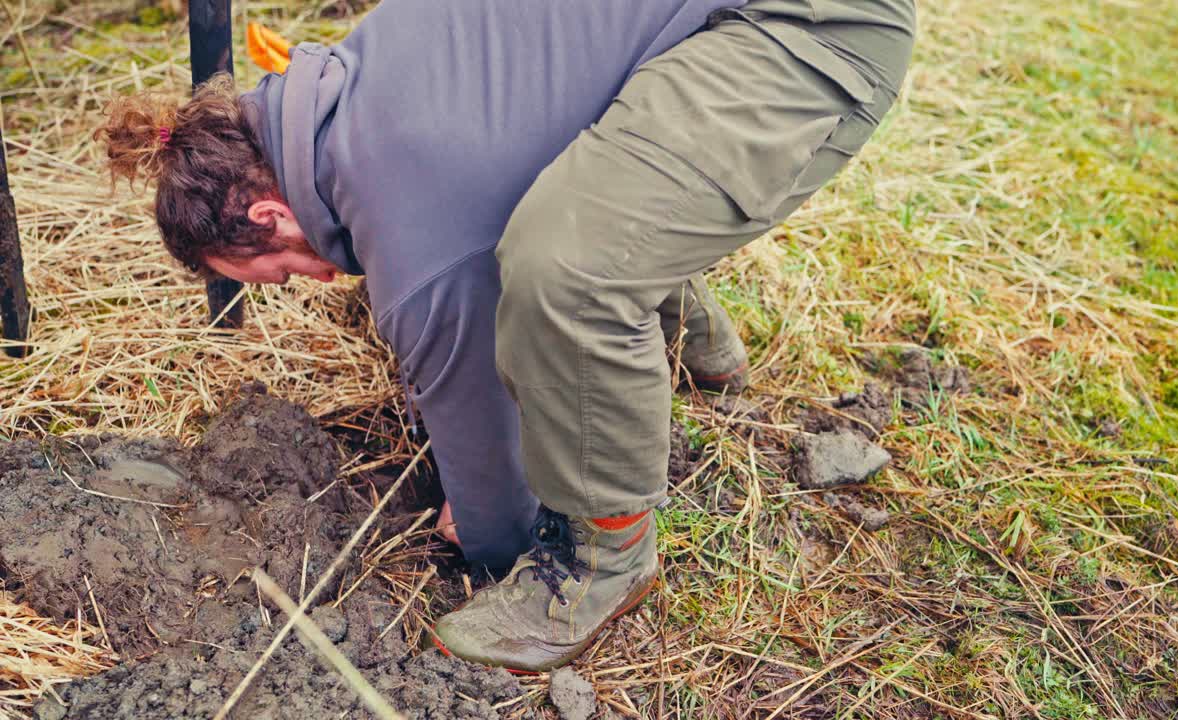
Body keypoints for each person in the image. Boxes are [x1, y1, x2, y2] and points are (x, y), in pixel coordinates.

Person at [97, 0, 914, 673]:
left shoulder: (407, 229)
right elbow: (510, 152)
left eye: (277, 273)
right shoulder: (347, 82)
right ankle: (689, 332)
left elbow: (484, 446)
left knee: (566, 273)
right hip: (703, 21)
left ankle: (607, 560)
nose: (304, 284)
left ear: (271, 216)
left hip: (809, 29)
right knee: (552, 189)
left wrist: (495, 533)